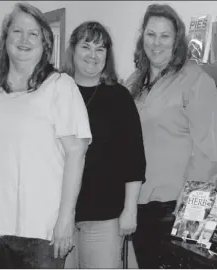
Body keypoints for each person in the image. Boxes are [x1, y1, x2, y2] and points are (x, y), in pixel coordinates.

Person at [0, 2, 92, 269]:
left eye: (33, 33)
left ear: (45, 43)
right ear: (5, 37)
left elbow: (77, 153)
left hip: (40, 232)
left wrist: (66, 218)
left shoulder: (60, 87)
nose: (24, 39)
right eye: (17, 31)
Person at [125, 3, 217, 269]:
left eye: (165, 35)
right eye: (151, 34)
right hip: (138, 202)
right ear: (142, 36)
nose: (157, 43)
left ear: (176, 40)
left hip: (176, 206)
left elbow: (208, 151)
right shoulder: (133, 81)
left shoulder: (196, 80)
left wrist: (191, 212)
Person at [61, 21, 146, 268]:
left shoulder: (119, 97)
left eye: (100, 49)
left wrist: (130, 210)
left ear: (107, 56)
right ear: (73, 50)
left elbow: (134, 159)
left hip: (104, 215)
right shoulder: (57, 93)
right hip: (58, 214)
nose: (92, 55)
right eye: (86, 46)